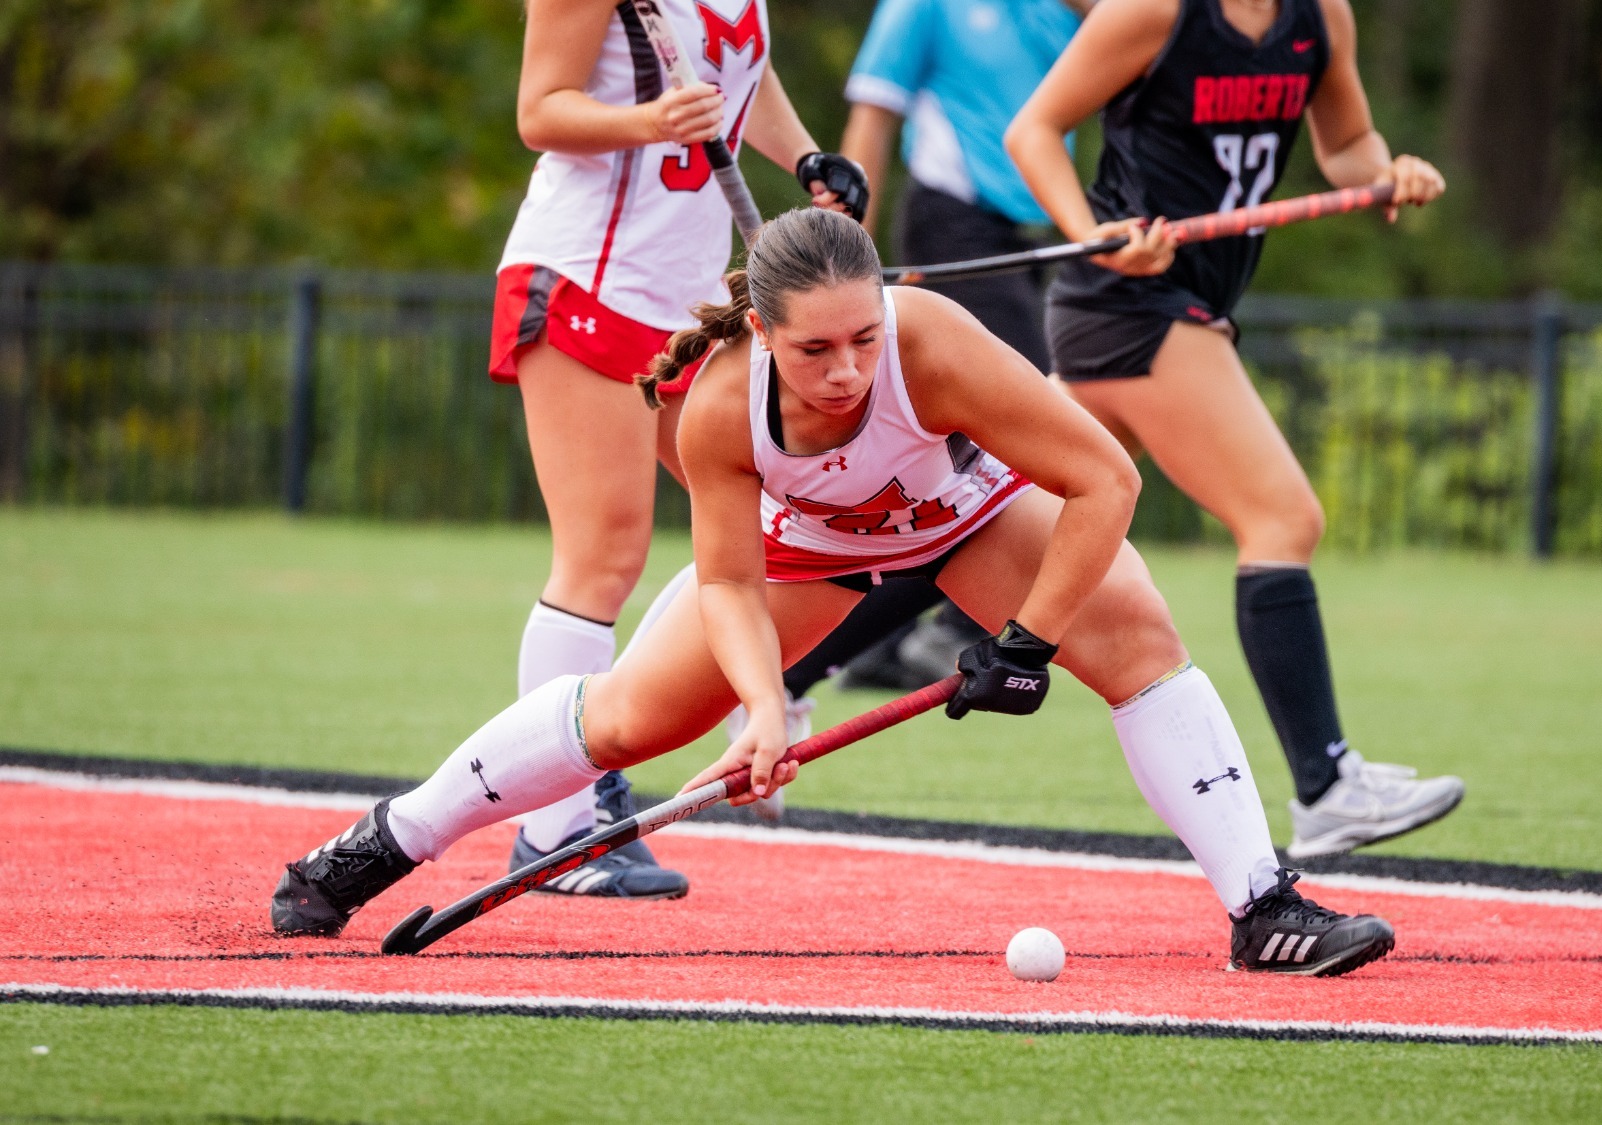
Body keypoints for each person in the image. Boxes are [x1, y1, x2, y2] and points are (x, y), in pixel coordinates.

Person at [272, 208, 1397, 977]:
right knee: (624, 719)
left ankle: (1263, 907)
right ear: (760, 332)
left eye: (864, 337)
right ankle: (383, 842)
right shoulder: (714, 410)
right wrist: (764, 710)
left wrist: (1028, 641)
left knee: (1141, 645)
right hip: (811, 545)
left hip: (971, 514)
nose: (848, 370)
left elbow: (1107, 479)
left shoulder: (935, 348)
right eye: (815, 350)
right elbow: (725, 579)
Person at [1005, 0, 1464, 858]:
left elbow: (1345, 147)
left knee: (996, 521)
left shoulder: (1321, 17)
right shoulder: (1154, 13)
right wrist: (1093, 237)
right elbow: (1033, 130)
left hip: (1166, 308)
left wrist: (1388, 172)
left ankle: (793, 677)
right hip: (1133, 302)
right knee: (1283, 518)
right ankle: (1327, 785)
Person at [483, 0, 871, 897]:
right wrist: (646, 122)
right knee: (603, 555)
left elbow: (742, 71)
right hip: (589, 275)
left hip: (686, 305)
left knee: (771, 520)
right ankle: (556, 831)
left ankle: (599, 755)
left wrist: (806, 156)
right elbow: (541, 109)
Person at [774, 0, 1091, 693]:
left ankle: (848, 652)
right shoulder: (925, 6)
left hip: (1031, 241)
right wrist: (846, 258)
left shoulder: (1058, 12)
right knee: (1018, 435)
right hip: (955, 224)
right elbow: (872, 120)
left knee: (957, 465)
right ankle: (945, 629)